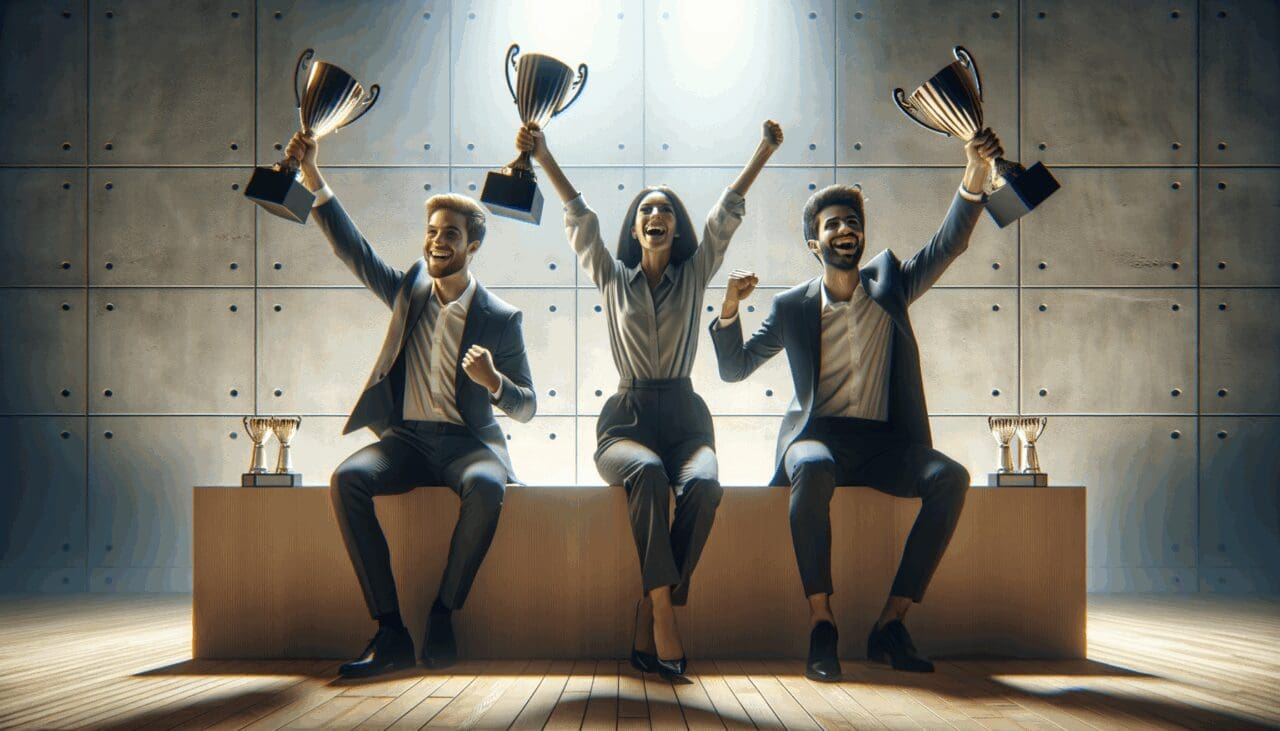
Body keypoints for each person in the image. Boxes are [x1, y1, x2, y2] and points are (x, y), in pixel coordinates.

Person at [709, 129, 1003, 679]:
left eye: (852, 222)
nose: (845, 229)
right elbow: (735, 368)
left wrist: (975, 172)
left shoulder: (891, 284)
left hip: (886, 444)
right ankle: (822, 623)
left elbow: (948, 244)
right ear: (814, 244)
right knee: (811, 465)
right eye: (832, 224)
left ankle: (891, 623)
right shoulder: (793, 307)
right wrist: (729, 308)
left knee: (951, 478)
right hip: (818, 439)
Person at [515, 120, 782, 678]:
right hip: (626, 422)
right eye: (646, 210)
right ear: (636, 229)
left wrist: (764, 149)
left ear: (675, 227)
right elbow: (580, 219)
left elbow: (724, 218)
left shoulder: (694, 274)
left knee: (704, 484)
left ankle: (651, 601)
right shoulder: (612, 277)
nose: (656, 215)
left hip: (686, 419)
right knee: (649, 474)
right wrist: (543, 156)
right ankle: (664, 612)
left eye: (665, 210)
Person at [285, 132, 537, 678]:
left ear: (473, 246)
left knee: (487, 488)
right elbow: (355, 251)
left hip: (467, 445)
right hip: (405, 441)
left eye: (451, 234)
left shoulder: (501, 319)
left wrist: (494, 382)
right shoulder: (408, 292)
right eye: (432, 232)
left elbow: (527, 406)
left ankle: (443, 613)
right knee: (347, 480)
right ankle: (390, 632)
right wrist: (313, 177)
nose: (437, 242)